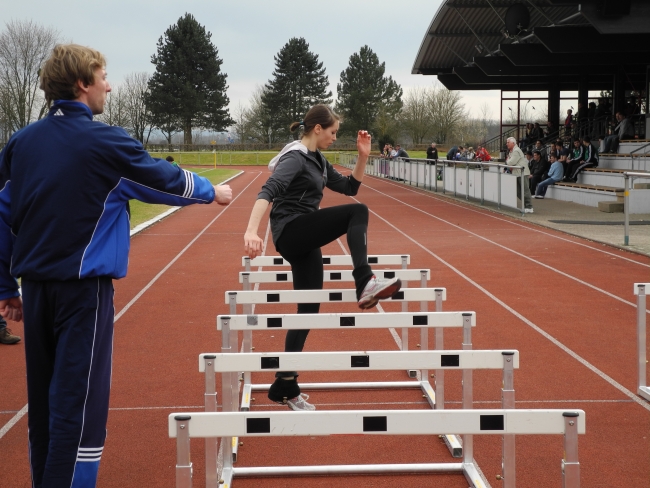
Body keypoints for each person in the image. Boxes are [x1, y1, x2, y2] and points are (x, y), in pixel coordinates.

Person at [0, 44, 233, 488]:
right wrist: (209, 191)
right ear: (82, 84)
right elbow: (158, 178)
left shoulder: (21, 143)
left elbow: (1, 214)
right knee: (78, 407)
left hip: (35, 291)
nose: (109, 85)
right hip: (82, 296)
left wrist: (4, 287)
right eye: (103, 76)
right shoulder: (105, 141)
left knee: (45, 407)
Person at [243, 104, 402, 412]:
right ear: (317, 129)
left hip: (304, 234)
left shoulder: (318, 160)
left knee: (308, 308)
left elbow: (349, 187)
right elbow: (267, 191)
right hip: (290, 230)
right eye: (332, 132)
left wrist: (363, 155)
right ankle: (365, 281)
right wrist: (252, 231)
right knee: (358, 212)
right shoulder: (295, 158)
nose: (334, 137)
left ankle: (284, 385)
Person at [505, 136, 533, 213]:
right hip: (516, 173)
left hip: (522, 173)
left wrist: (508, 161)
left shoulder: (516, 150)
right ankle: (526, 205)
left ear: (513, 143)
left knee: (525, 190)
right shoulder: (511, 151)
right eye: (507, 142)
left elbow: (510, 162)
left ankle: (529, 207)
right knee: (517, 191)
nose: (506, 144)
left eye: (508, 142)